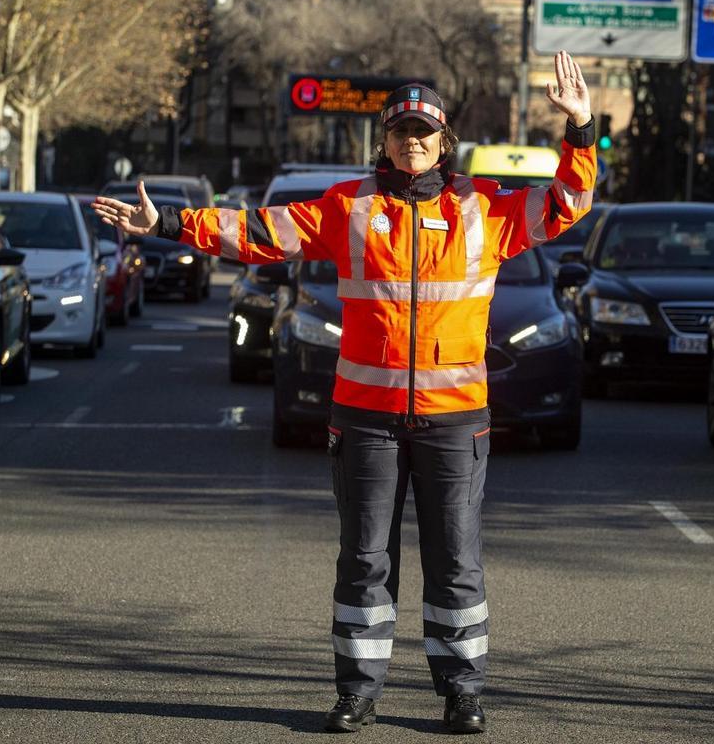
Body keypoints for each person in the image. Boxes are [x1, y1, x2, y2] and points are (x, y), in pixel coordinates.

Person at [92, 51, 596, 735]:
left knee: (455, 561)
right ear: (382, 141)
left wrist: (581, 130)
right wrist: (172, 226)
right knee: (364, 559)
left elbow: (567, 202)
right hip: (366, 420)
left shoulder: (484, 212)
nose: (411, 142)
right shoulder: (349, 209)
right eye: (399, 132)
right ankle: (357, 691)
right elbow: (262, 233)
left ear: (443, 143)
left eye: (424, 133)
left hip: (454, 422)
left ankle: (463, 692)